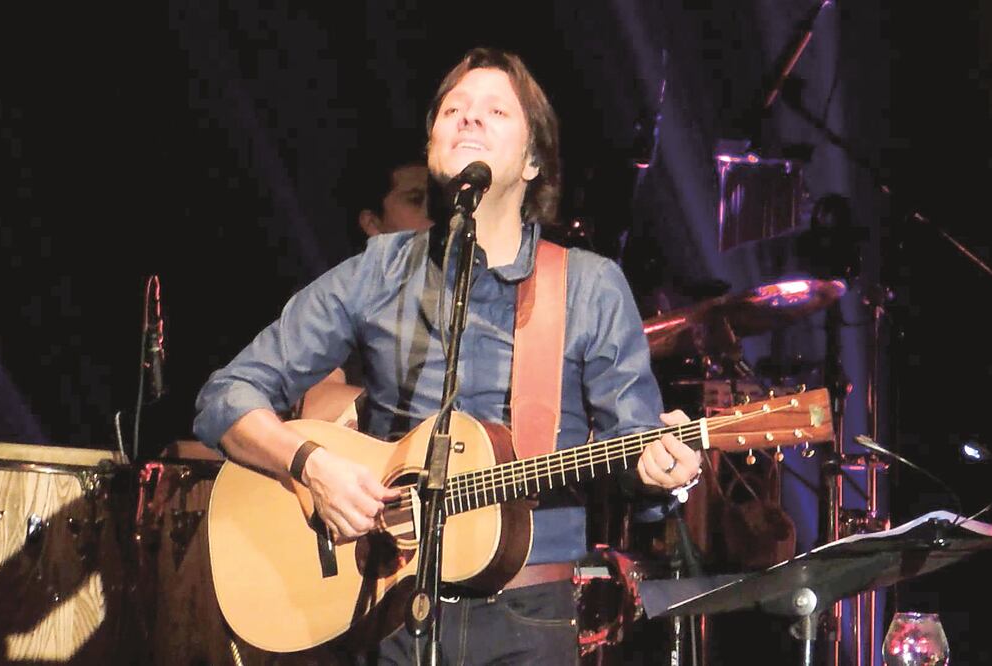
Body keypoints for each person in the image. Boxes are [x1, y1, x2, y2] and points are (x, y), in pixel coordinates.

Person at [194, 47, 702, 665]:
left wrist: (661, 473)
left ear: (534, 160)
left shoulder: (589, 286)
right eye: (452, 110)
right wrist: (311, 466)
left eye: (495, 111)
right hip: (381, 606)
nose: (468, 119)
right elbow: (226, 397)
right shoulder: (379, 269)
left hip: (526, 616)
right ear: (433, 147)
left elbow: (635, 458)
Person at [298, 145, 431, 425]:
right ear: (372, 223)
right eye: (416, 200)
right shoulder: (351, 297)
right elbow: (319, 407)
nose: (434, 213)